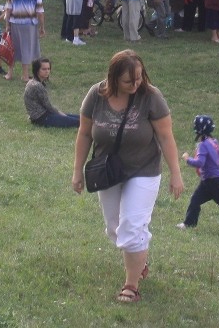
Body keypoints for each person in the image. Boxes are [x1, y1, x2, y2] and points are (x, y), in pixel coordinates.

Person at [71, 50, 184, 304]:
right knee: (115, 229)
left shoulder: (151, 97)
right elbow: (85, 133)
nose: (136, 85)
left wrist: (176, 174)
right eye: (128, 81)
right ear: (112, 79)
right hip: (108, 170)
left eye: (139, 78)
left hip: (143, 170)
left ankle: (131, 285)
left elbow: (166, 137)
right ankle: (139, 257)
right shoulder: (96, 95)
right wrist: (77, 171)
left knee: (132, 227)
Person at [3, 0, 45, 82]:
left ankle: (9, 73)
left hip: (15, 22)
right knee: (26, 48)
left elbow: (8, 8)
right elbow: (40, 12)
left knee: (12, 48)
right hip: (30, 24)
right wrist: (42, 27)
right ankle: (25, 75)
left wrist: (7, 24)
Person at [23, 58, 79, 127]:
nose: (47, 71)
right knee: (78, 122)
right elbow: (48, 106)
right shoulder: (37, 85)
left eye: (48, 69)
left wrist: (62, 114)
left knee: (80, 117)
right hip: (41, 118)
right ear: (37, 70)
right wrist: (61, 114)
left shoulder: (33, 82)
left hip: (43, 114)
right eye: (44, 69)